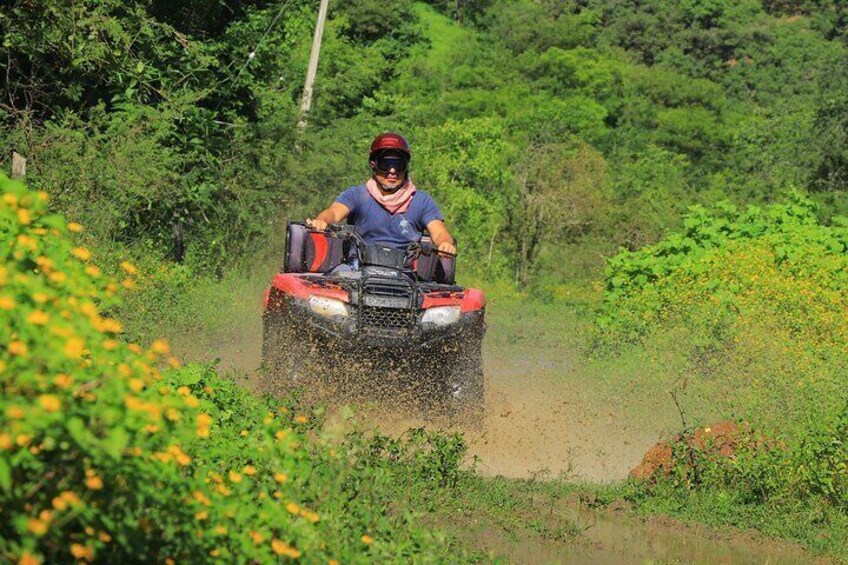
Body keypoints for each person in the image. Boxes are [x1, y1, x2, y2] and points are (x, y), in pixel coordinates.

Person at [306, 132, 457, 256]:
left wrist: (445, 244)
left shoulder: (422, 201)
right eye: (385, 164)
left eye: (398, 165)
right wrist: (322, 221)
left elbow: (439, 233)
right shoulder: (357, 195)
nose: (392, 171)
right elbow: (333, 213)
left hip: (404, 275)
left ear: (406, 167)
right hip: (355, 270)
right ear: (373, 165)